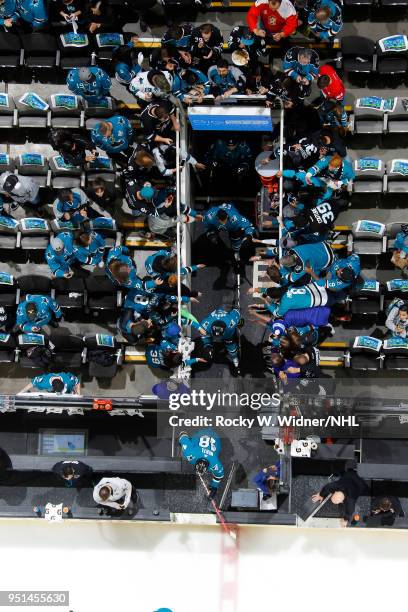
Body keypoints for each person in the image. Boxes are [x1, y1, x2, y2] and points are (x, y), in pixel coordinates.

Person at [179, 429, 224, 499]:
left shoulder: (215, 463)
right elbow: (183, 434)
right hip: (213, 435)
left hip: (211, 435)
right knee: (183, 453)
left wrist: (214, 486)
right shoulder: (215, 464)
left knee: (184, 451)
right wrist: (214, 486)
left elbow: (183, 433)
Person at [200, 307, 243, 375]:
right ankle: (234, 358)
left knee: (232, 349)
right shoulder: (205, 324)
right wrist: (207, 345)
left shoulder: (231, 322)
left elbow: (236, 312)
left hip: (228, 334)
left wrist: (240, 321)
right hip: (215, 325)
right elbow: (205, 336)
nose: (217, 338)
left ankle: (234, 357)